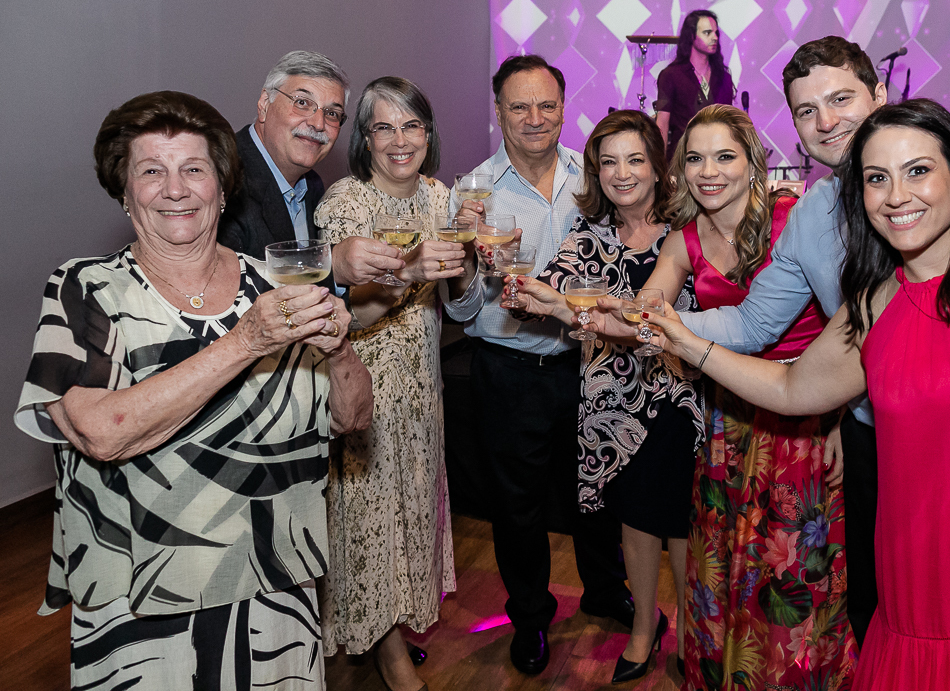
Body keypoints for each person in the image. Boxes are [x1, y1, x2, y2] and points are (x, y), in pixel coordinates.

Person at [599, 35, 950, 649]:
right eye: (806, 111)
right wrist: (659, 320)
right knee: (884, 608)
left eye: (841, 99)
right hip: (879, 442)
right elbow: (753, 326)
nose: (826, 122)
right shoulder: (810, 218)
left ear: (879, 94)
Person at [15, 91, 373, 689]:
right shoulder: (85, 289)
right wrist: (245, 341)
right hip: (141, 599)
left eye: (194, 169)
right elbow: (101, 434)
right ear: (125, 191)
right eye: (152, 171)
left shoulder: (275, 284)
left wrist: (339, 349)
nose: (175, 189)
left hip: (276, 587)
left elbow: (353, 417)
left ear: (222, 188)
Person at [595, 104, 856, 690]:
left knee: (790, 566)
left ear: (752, 163)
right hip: (728, 418)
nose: (708, 171)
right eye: (695, 158)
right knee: (729, 556)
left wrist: (840, 414)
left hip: (802, 416)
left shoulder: (795, 218)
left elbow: (847, 320)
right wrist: (573, 308)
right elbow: (650, 311)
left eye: (724, 157)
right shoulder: (684, 239)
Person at [442, 55, 633, 676]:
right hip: (509, 369)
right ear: (498, 112)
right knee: (517, 505)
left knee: (598, 488)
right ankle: (530, 616)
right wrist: (467, 261)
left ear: (563, 107)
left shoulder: (593, 177)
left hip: (590, 362)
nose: (534, 118)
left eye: (546, 104)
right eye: (519, 106)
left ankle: (605, 590)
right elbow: (461, 308)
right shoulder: (473, 192)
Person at [506, 110, 704, 682]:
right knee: (635, 521)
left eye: (635, 160)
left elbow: (675, 315)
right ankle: (644, 626)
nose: (622, 173)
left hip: (681, 399)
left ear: (657, 167)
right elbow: (550, 293)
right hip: (612, 409)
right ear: (595, 171)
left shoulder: (689, 229)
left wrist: (563, 307)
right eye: (609, 162)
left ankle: (690, 631)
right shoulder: (588, 235)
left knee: (682, 524)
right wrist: (528, 295)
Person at [315, 77, 476, 691]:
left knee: (411, 516)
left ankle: (391, 628)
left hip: (423, 390)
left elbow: (462, 306)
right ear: (365, 138)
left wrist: (470, 256)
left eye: (411, 125)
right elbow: (346, 316)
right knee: (367, 522)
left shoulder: (440, 197)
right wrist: (410, 271)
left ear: (428, 134)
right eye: (384, 127)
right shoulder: (346, 204)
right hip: (365, 391)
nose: (399, 139)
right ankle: (385, 653)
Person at [218, 50, 407, 290]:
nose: (318, 123)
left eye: (332, 113)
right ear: (265, 104)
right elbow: (228, 296)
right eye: (302, 103)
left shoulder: (312, 186)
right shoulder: (224, 181)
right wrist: (333, 266)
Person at [654, 9, 736, 160]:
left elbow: (729, 123)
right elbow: (662, 123)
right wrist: (659, 165)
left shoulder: (724, 77)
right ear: (691, 36)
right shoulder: (671, 75)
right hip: (682, 158)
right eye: (707, 33)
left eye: (716, 33)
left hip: (717, 157)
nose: (714, 38)